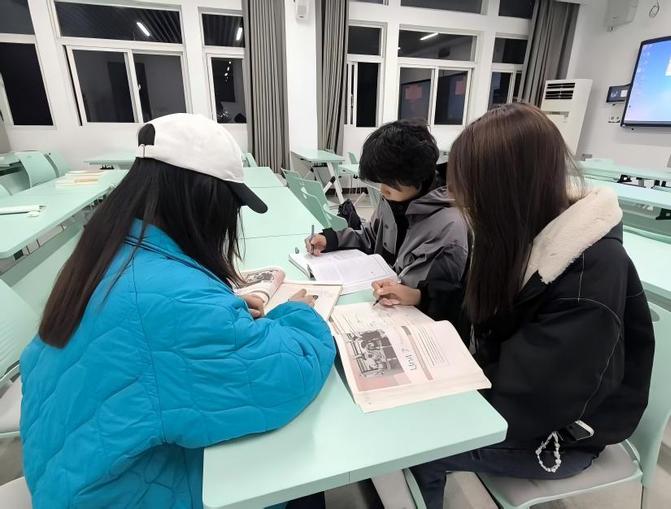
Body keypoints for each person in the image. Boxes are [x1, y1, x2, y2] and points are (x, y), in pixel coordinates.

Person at [20, 114, 336, 509]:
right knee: (301, 469)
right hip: (121, 492)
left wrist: (223, 315)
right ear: (201, 201)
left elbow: (151, 336)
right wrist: (298, 314)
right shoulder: (178, 303)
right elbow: (287, 376)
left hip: (69, 471)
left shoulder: (105, 248)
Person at [375, 103, 655, 509]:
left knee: (419, 447)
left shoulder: (590, 272)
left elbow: (540, 397)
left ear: (505, 192)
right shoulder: (515, 233)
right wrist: (423, 297)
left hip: (560, 432)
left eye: (470, 192)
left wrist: (443, 398)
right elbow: (478, 313)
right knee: (399, 418)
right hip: (508, 392)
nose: (460, 202)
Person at [306, 120, 469, 325]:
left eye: (389, 182)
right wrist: (330, 239)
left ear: (416, 177)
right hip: (379, 299)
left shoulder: (449, 226)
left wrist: (405, 292)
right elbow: (371, 236)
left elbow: (438, 300)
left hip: (413, 321)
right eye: (381, 181)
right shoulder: (394, 199)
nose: (382, 190)